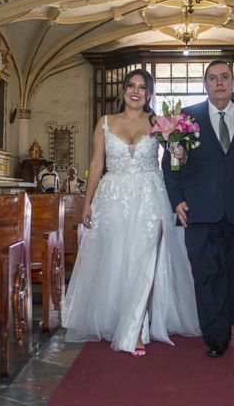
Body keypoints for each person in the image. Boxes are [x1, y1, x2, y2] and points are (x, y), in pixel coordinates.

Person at [63, 69, 200, 356]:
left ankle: (137, 326)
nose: (136, 91)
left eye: (142, 87)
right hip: (113, 197)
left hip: (152, 196)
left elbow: (178, 158)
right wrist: (87, 202)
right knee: (118, 257)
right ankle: (119, 315)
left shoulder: (158, 122)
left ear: (149, 94)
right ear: (123, 90)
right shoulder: (105, 122)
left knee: (146, 257)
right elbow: (97, 163)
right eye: (131, 86)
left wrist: (180, 150)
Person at [163, 60, 234, 358]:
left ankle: (223, 317)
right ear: (205, 85)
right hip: (200, 212)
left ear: (233, 82)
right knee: (206, 274)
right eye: (212, 78)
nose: (219, 83)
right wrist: (176, 201)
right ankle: (215, 335)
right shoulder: (188, 118)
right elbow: (171, 164)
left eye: (225, 77)